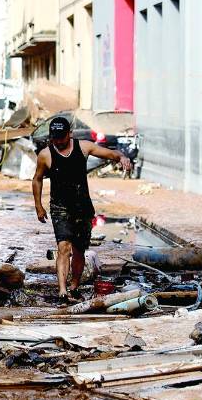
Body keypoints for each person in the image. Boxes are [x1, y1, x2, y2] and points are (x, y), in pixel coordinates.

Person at [32, 116, 133, 301]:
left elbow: (111, 154)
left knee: (79, 251)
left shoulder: (84, 147)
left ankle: (74, 287)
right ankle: (62, 291)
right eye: (54, 138)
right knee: (63, 247)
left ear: (69, 134)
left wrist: (122, 157)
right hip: (60, 207)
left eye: (61, 137)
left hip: (83, 208)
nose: (58, 141)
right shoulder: (45, 155)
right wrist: (38, 206)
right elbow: (37, 179)